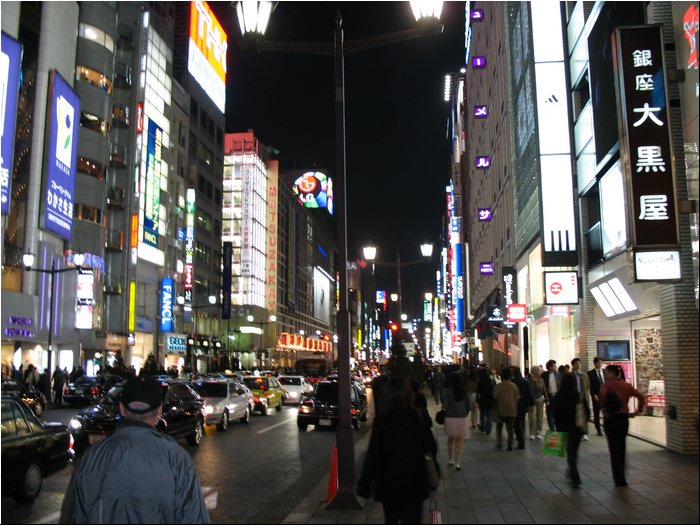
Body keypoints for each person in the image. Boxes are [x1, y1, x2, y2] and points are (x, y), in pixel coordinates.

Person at [59, 377, 209, 523]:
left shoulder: (91, 458)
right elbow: (194, 517)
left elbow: (72, 516)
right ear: (159, 411)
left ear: (122, 409)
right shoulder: (178, 460)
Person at [357, 376, 437, 524]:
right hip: (415, 482)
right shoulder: (417, 418)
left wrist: (364, 486)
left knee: (391, 519)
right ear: (409, 395)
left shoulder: (381, 421)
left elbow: (373, 455)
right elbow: (431, 447)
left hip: (389, 483)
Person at [599, 365, 645, 487]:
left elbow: (601, 399)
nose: (605, 374)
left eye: (607, 372)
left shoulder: (607, 385)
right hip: (623, 419)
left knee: (613, 449)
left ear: (612, 373)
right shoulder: (626, 385)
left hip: (610, 418)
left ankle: (618, 478)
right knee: (621, 446)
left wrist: (603, 409)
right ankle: (622, 476)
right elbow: (641, 397)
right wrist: (637, 411)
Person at [554, 373, 586, 486]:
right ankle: (572, 471)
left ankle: (574, 474)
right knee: (574, 452)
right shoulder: (577, 395)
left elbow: (556, 414)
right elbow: (586, 411)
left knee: (570, 452)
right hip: (577, 427)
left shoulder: (558, 395)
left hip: (564, 427)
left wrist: (557, 428)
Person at [442, 371, 470, 470]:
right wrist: (465, 413)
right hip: (462, 417)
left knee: (450, 439)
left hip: (450, 416)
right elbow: (468, 405)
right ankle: (458, 463)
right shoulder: (464, 390)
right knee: (459, 441)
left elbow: (445, 405)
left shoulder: (447, 391)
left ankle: (450, 460)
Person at [493, 367, 520, 450]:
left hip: (500, 409)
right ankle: (510, 445)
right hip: (511, 409)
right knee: (510, 429)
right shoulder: (513, 386)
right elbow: (517, 396)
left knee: (499, 428)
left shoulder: (499, 386)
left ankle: (499, 442)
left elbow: (495, 396)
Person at [511, 366, 534, 449]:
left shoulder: (513, 381)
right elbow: (529, 392)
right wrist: (531, 402)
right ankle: (521, 437)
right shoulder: (525, 381)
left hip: (515, 404)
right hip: (524, 404)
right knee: (522, 421)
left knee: (517, 422)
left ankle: (520, 440)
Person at [571, 358, 591, 440]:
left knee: (584, 416)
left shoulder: (584, 375)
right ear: (573, 365)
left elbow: (588, 386)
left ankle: (584, 433)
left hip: (583, 398)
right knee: (574, 416)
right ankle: (575, 432)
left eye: (579, 363)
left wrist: (586, 395)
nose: (578, 365)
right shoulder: (570, 375)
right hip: (573, 399)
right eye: (576, 363)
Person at [527, 366, 546, 440]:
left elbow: (544, 390)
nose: (540, 372)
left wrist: (547, 399)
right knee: (531, 417)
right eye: (539, 371)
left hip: (540, 399)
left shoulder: (541, 380)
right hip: (532, 400)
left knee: (540, 416)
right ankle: (531, 433)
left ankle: (538, 432)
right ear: (534, 372)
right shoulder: (528, 380)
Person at [587, 356, 605, 436]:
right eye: (599, 362)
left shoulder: (605, 371)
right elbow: (590, 386)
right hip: (596, 396)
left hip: (605, 396)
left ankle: (605, 428)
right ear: (595, 363)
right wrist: (593, 394)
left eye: (601, 362)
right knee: (597, 413)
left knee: (606, 413)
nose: (601, 364)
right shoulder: (590, 373)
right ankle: (598, 430)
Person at [542, 360, 561, 430]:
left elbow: (561, 385)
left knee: (557, 414)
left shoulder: (558, 375)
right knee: (549, 414)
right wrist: (545, 398)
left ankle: (557, 428)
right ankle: (552, 429)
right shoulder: (544, 375)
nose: (555, 367)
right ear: (550, 367)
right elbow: (543, 387)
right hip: (549, 397)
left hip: (557, 397)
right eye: (554, 366)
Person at [476, 367, 494, 435]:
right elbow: (493, 390)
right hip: (489, 399)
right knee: (489, 415)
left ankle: (482, 427)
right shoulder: (491, 380)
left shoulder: (480, 380)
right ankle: (488, 428)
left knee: (482, 414)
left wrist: (477, 398)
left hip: (482, 398)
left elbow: (478, 391)